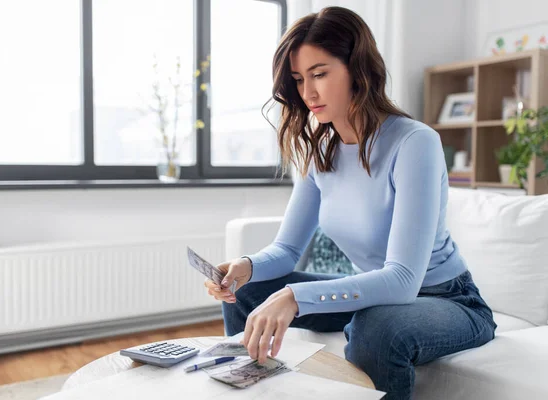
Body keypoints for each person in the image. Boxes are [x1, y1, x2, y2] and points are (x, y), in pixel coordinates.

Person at [203, 6, 496, 399]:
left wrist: (295, 297)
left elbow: (404, 280)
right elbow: (288, 250)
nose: (308, 93)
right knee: (254, 290)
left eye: (320, 74)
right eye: (299, 79)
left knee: (376, 329)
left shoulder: (414, 143)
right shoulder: (320, 152)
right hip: (378, 295)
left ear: (358, 70)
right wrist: (245, 267)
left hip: (447, 300)